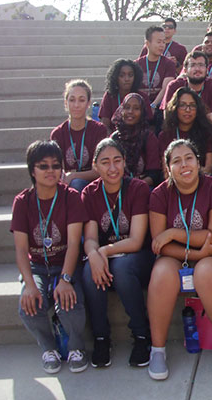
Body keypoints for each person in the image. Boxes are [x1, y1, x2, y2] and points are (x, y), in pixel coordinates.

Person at [146, 139, 212, 380]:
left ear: (198, 162)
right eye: (176, 161)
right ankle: (158, 350)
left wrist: (173, 233)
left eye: (189, 158)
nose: (184, 165)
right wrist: (195, 253)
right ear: (168, 168)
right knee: (161, 274)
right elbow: (158, 245)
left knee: (205, 271)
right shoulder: (160, 193)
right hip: (175, 256)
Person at [11, 140, 89, 373]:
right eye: (43, 166)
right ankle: (48, 347)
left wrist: (65, 279)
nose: (50, 171)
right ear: (32, 170)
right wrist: (30, 285)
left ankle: (76, 347)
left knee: (69, 302)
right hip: (37, 267)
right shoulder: (23, 201)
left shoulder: (71, 196)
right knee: (29, 304)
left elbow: (75, 243)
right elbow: (20, 249)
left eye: (56, 165)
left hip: (66, 263)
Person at [80, 138, 154, 368]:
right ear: (95, 166)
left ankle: (142, 335)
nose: (112, 168)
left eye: (117, 161)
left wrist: (102, 251)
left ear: (124, 163)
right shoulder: (89, 193)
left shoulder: (138, 188)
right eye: (105, 162)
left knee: (122, 268)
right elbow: (90, 237)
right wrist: (93, 255)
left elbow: (135, 241)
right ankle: (101, 338)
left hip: (137, 258)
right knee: (88, 272)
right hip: (106, 257)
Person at [50, 79, 108, 191]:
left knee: (77, 183)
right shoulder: (58, 133)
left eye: (81, 100)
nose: (76, 105)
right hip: (67, 184)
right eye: (72, 100)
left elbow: (99, 170)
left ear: (88, 103)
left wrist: (73, 175)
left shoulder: (99, 130)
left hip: (94, 185)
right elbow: (58, 170)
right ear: (65, 102)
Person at [159, 88, 212, 175]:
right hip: (176, 181)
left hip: (202, 179)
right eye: (182, 105)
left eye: (192, 105)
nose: (188, 110)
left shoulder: (207, 132)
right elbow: (167, 172)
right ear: (175, 107)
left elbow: (208, 169)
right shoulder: (165, 135)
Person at [161, 51, 212, 127]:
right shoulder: (174, 86)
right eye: (193, 65)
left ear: (207, 69)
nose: (197, 69)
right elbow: (168, 117)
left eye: (201, 65)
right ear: (185, 70)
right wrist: (205, 117)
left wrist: (185, 117)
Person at [110, 93, 160, 187]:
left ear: (142, 112)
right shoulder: (115, 138)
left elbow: (154, 174)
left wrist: (135, 187)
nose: (130, 111)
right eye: (127, 107)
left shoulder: (148, 137)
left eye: (136, 108)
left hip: (142, 186)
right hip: (118, 186)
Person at [98, 59, 152, 131]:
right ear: (115, 77)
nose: (127, 79)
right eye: (122, 75)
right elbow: (105, 125)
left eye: (130, 75)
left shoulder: (142, 97)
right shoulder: (109, 95)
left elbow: (150, 125)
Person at [137, 26, 177, 111]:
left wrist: (153, 105)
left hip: (160, 106)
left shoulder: (169, 64)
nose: (162, 45)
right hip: (139, 106)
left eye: (164, 42)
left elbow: (166, 87)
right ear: (147, 43)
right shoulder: (137, 64)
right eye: (159, 42)